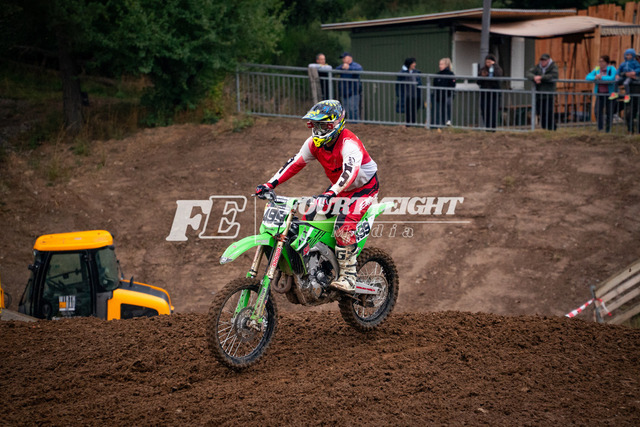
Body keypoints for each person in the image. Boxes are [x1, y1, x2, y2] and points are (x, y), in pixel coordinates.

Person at [255, 100, 379, 293]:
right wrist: (269, 184)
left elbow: (349, 173)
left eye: (323, 125)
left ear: (335, 124)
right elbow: (295, 163)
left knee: (343, 226)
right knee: (307, 221)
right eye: (316, 125)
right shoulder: (313, 144)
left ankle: (349, 277)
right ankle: (315, 267)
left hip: (363, 189)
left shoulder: (349, 143)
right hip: (338, 189)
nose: (319, 130)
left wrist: (330, 193)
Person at [586, 55, 617, 133]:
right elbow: (588, 77)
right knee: (597, 111)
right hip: (600, 93)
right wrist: (595, 77)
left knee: (609, 112)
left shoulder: (612, 69)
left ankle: (608, 129)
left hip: (610, 94)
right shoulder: (597, 69)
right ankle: (600, 128)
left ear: (607, 62)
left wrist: (601, 77)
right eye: (599, 61)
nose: (600, 63)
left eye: (602, 61)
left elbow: (612, 78)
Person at [527, 53, 558, 131]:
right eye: (541, 60)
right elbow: (528, 73)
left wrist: (541, 78)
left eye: (544, 60)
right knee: (541, 112)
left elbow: (553, 75)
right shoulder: (538, 67)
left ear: (548, 60)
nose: (542, 62)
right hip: (539, 94)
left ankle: (552, 128)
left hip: (549, 94)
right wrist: (534, 77)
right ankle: (544, 128)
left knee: (549, 112)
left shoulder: (553, 67)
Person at [477, 54, 503, 131]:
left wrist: (493, 67)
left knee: (493, 111)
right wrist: (482, 77)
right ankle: (487, 127)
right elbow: (478, 81)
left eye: (489, 62)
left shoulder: (497, 69)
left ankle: (493, 128)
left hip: (494, 94)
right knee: (485, 111)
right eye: (486, 62)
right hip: (484, 93)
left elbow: (498, 76)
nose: (487, 64)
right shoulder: (483, 69)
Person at [396, 57, 423, 124]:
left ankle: (411, 123)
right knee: (407, 109)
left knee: (414, 110)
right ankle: (408, 124)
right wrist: (399, 93)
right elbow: (398, 84)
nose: (415, 64)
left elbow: (419, 83)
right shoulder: (402, 73)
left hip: (415, 94)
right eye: (413, 63)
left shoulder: (416, 72)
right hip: (407, 95)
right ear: (409, 64)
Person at [337, 52, 363, 122]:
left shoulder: (355, 65)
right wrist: (342, 68)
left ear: (349, 58)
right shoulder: (342, 66)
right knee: (346, 110)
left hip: (353, 92)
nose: (343, 60)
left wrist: (349, 68)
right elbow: (335, 70)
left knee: (353, 109)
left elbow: (360, 69)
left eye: (344, 58)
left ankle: (355, 124)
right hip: (344, 92)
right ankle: (350, 124)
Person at [432, 58, 456, 127]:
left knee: (447, 110)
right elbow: (435, 84)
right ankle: (441, 125)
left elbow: (452, 85)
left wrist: (448, 94)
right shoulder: (438, 74)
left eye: (441, 64)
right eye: (439, 64)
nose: (440, 66)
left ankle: (448, 123)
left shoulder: (450, 74)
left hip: (447, 96)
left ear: (446, 65)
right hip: (439, 97)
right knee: (440, 111)